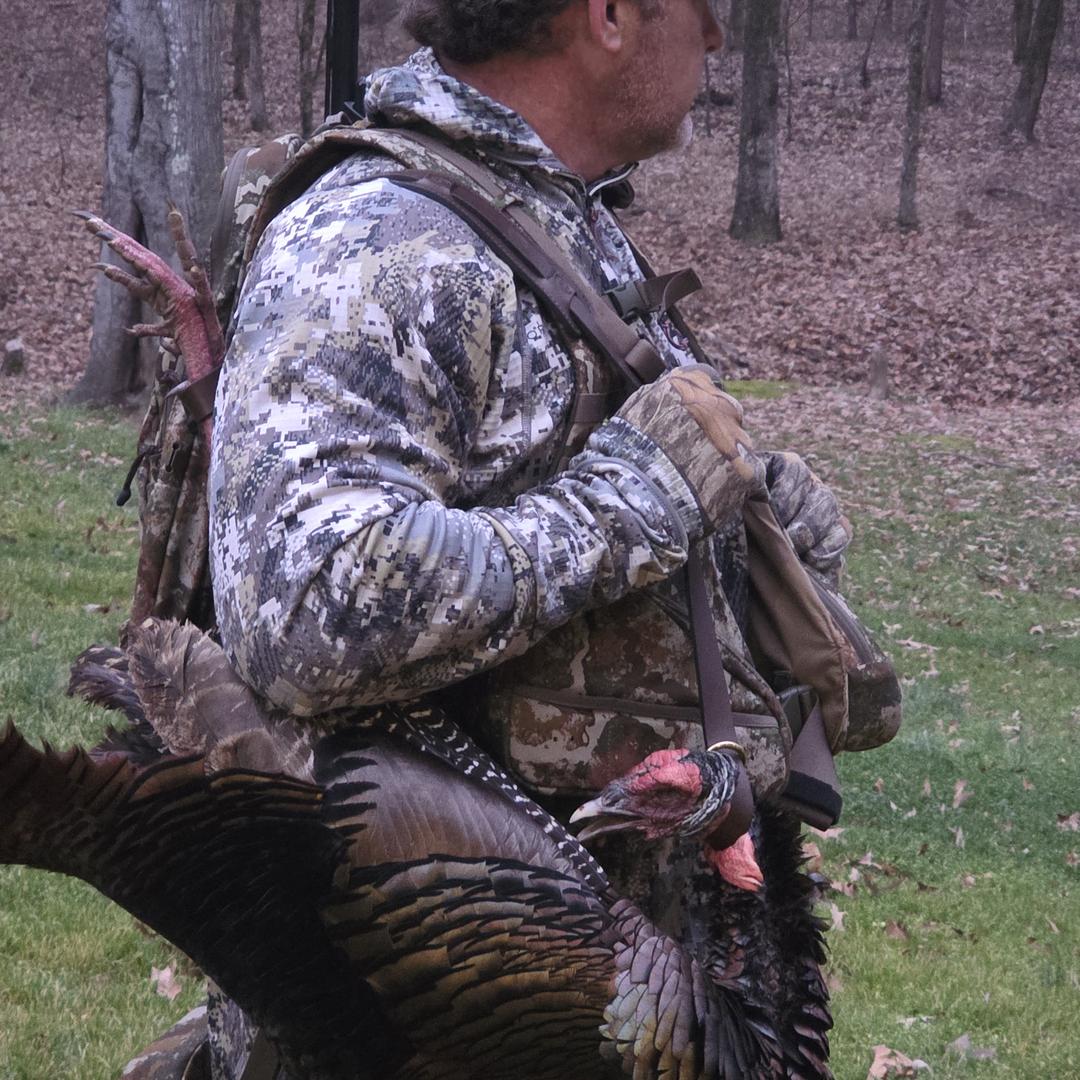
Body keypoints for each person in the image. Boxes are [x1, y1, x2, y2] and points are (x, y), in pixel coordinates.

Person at [210, 0, 850, 815]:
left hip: (594, 872)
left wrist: (744, 518)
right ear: (610, 15)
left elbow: (558, 465)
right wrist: (634, 498)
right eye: (704, 6)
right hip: (442, 885)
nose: (718, 35)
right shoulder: (380, 237)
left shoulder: (547, 207)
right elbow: (305, 612)